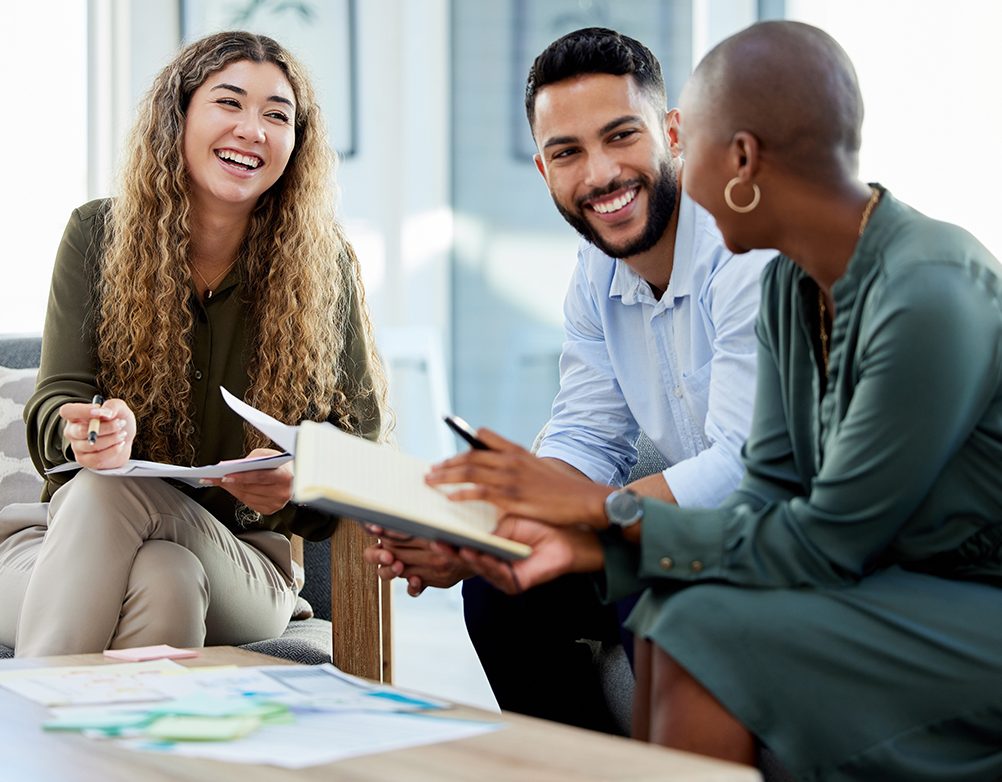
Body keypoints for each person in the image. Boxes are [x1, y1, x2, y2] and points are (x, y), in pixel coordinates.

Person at [426, 20, 1002, 780]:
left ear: (737, 158)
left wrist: (598, 522)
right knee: (673, 611)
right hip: (861, 566)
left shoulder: (927, 290)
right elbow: (765, 483)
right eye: (567, 151)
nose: (654, 175)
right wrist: (542, 530)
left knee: (699, 624)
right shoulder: (801, 288)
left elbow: (827, 538)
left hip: (955, 593)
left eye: (680, 143)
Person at [366, 27, 773, 733]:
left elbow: (741, 467)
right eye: (568, 153)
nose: (601, 175)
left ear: (672, 131)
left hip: (759, 535)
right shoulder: (596, 273)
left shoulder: (742, 252)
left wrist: (577, 513)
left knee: (639, 575)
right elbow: (587, 432)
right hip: (670, 522)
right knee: (500, 593)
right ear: (543, 169)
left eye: (621, 136)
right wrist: (478, 534)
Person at [0, 31, 385, 657]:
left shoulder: (324, 266)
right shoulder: (96, 235)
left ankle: (29, 735)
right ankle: (131, 757)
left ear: (297, 142)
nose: (252, 129)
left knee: (116, 498)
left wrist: (297, 483)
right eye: (229, 103)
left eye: (276, 115)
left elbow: (360, 452)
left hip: (242, 560)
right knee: (166, 578)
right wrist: (87, 432)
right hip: (55, 543)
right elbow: (58, 401)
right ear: (178, 116)